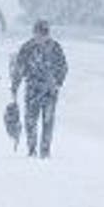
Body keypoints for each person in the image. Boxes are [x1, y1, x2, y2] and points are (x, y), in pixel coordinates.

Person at [11, 20, 69, 158]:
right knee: (31, 120)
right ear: (34, 33)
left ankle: (45, 150)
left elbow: (63, 67)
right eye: (39, 33)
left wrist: (57, 83)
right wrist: (15, 85)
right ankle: (32, 149)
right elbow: (19, 69)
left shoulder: (55, 48)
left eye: (44, 34)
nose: (41, 37)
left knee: (47, 121)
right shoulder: (27, 48)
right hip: (33, 89)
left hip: (49, 90)